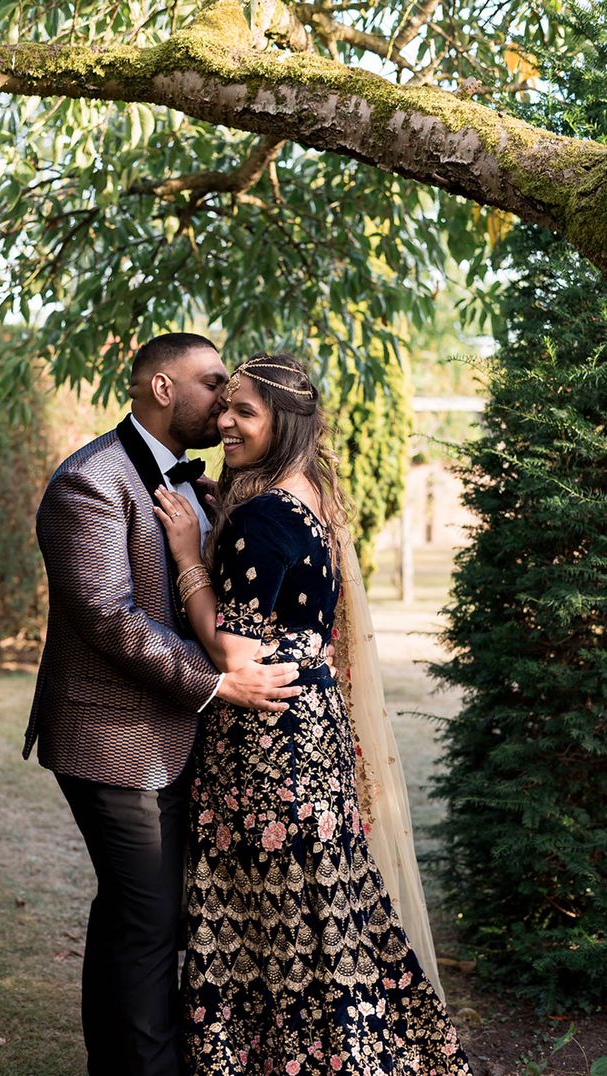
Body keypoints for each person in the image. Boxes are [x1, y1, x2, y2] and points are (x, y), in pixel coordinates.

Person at [155, 353, 473, 1074]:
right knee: (323, 902)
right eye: (225, 405)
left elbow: (233, 653)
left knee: (271, 910)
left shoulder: (262, 515)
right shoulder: (309, 495)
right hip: (312, 726)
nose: (225, 424)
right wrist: (218, 520)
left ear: (284, 423)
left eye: (245, 412)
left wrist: (187, 554)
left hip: (265, 741)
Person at [22, 334, 302, 1076]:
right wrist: (218, 685)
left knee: (133, 916)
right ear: (162, 390)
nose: (224, 400)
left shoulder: (204, 486)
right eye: (213, 383)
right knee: (151, 920)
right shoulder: (91, 481)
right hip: (111, 737)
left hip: (174, 735)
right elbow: (110, 617)